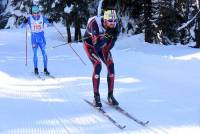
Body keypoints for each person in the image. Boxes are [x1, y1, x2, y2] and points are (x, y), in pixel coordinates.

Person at [83, 9, 119, 107]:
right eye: (110, 21)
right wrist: (106, 37)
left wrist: (112, 38)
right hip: (90, 45)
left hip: (103, 46)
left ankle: (110, 96)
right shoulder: (95, 24)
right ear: (105, 20)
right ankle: (96, 97)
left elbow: (109, 47)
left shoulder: (115, 26)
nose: (113, 23)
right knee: (98, 66)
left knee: (111, 66)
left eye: (114, 21)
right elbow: (96, 47)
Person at [22, 5, 52, 75]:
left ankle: (45, 69)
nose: (36, 14)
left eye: (37, 12)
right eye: (34, 13)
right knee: (35, 54)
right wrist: (24, 22)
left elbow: (49, 24)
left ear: (39, 12)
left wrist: (50, 21)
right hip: (34, 39)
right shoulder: (29, 19)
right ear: (32, 13)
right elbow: (22, 26)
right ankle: (36, 69)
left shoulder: (42, 17)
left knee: (44, 54)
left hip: (41, 39)